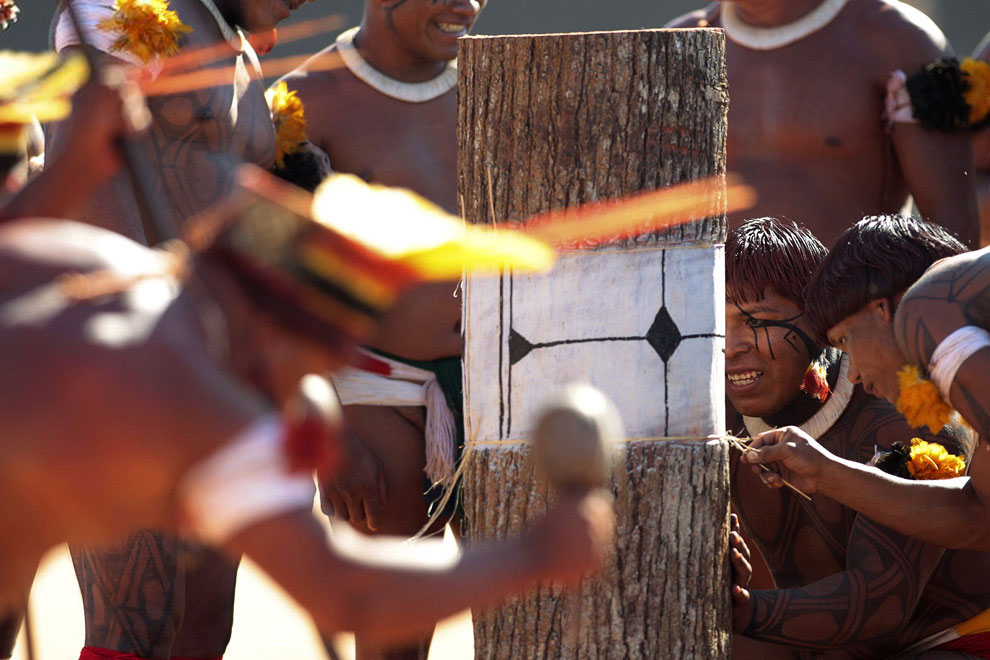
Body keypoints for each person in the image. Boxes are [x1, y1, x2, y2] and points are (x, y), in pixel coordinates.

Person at [0, 215, 614, 651]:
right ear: (271, 337)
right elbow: (350, 596)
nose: (312, 384)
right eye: (323, 357)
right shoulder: (205, 413)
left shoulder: (84, 256)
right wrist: (531, 556)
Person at [51, 0, 313, 657]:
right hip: (126, 367)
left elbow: (224, 207)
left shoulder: (238, 47)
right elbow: (81, 176)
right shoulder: (126, 10)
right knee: (135, 627)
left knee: (202, 629)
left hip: (219, 376)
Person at [280, 3, 483, 657]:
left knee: (529, 625)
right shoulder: (303, 103)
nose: (468, 6)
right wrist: (326, 432)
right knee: (393, 636)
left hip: (507, 377)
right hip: (375, 388)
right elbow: (272, 290)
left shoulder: (502, 80)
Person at [724, 218, 990, 658]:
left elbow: (881, 606)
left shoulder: (924, 326)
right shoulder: (717, 416)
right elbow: (977, 516)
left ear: (885, 310)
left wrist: (740, 610)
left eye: (844, 340)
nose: (730, 345)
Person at [667, 0, 979, 246]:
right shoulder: (678, 47)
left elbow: (954, 230)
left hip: (850, 316)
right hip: (713, 317)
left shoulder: (899, 40)